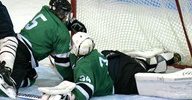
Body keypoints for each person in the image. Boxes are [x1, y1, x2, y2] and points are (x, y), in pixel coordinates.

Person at [0, 0, 86, 99]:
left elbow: (51, 27)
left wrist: (67, 25)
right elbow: (62, 64)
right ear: (63, 15)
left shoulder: (45, 10)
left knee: (31, 77)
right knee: (8, 89)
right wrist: (71, 78)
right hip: (22, 56)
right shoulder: (61, 34)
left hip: (11, 45)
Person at [38, 32, 179, 100]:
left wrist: (70, 97)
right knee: (139, 65)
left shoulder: (83, 66)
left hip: (121, 77)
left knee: (154, 82)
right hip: (116, 58)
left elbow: (86, 90)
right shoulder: (90, 53)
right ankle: (152, 61)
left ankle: (151, 64)